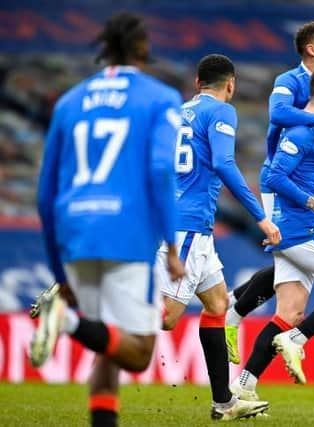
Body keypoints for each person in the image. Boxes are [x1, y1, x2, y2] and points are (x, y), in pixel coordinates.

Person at [30, 12, 184, 427]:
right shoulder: (160, 98)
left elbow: (45, 195)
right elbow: (159, 170)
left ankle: (73, 323)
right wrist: (171, 243)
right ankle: (70, 321)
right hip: (126, 231)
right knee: (137, 353)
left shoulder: (68, 102)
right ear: (142, 49)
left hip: (75, 230)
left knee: (108, 348)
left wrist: (59, 271)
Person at [224, 19, 314, 365]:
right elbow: (278, 113)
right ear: (312, 49)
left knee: (292, 266)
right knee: (292, 253)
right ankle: (237, 314)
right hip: (280, 178)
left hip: (312, 175)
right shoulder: (289, 81)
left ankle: (235, 314)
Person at [154, 54, 280, 421]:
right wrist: (260, 217)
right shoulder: (222, 111)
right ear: (231, 84)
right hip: (190, 225)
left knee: (216, 306)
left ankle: (224, 403)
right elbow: (225, 164)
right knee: (166, 318)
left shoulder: (178, 113)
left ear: (196, 82)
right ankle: (79, 306)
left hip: (189, 225)